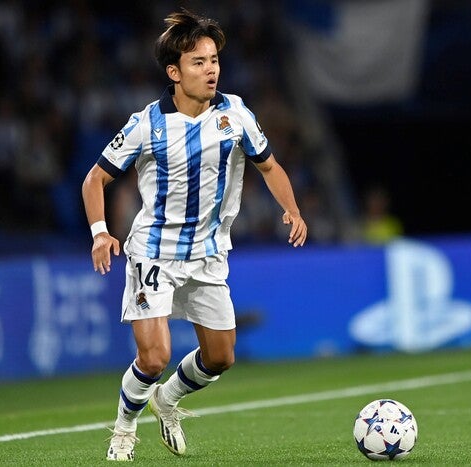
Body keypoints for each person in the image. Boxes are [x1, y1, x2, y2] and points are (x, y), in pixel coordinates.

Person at [81, 10, 307, 462]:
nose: (211, 70)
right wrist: (100, 233)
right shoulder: (147, 123)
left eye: (214, 60)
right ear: (174, 72)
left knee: (221, 357)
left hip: (209, 253)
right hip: (154, 253)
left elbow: (269, 166)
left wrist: (292, 209)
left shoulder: (235, 113)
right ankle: (124, 429)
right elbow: (94, 180)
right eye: (199, 62)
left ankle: (167, 400)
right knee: (154, 358)